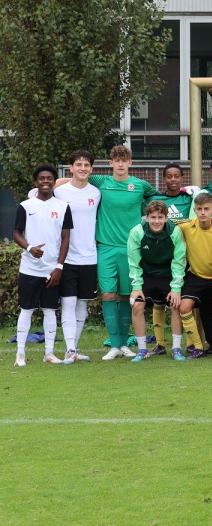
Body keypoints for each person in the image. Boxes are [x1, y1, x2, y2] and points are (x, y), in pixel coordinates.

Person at [74, 145, 156, 359]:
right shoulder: (101, 182)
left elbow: (160, 201)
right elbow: (75, 181)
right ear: (110, 163)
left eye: (124, 160)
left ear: (131, 163)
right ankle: (115, 344)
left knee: (127, 295)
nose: (120, 164)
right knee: (108, 294)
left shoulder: (140, 186)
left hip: (130, 249)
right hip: (105, 247)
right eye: (116, 160)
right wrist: (52, 185)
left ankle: (123, 344)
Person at [12, 165, 72, 367]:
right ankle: (20, 354)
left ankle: (49, 353)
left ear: (54, 181)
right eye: (41, 179)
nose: (45, 181)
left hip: (52, 270)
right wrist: (29, 248)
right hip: (29, 268)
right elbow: (16, 233)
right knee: (26, 310)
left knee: (49, 310)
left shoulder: (63, 207)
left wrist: (59, 267)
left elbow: (65, 238)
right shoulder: (25, 206)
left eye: (49, 178)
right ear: (36, 182)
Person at [52, 150, 102, 362]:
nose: (83, 168)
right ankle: (70, 349)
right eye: (78, 164)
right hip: (67, 258)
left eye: (86, 165)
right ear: (70, 167)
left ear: (91, 168)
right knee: (69, 303)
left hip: (90, 257)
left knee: (83, 304)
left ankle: (74, 349)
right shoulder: (60, 192)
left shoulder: (96, 193)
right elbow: (38, 192)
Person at [127, 200, 186, 361]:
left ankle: (176, 348)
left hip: (168, 274)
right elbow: (133, 262)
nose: (157, 221)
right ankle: (142, 350)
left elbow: (179, 260)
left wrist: (176, 287)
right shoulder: (137, 232)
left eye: (160, 217)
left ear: (166, 218)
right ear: (146, 218)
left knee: (176, 305)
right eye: (153, 217)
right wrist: (137, 286)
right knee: (137, 306)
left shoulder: (175, 231)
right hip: (146, 275)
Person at [177, 192, 212, 358]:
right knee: (184, 307)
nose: (203, 213)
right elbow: (163, 223)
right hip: (196, 275)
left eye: (206, 209)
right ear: (194, 210)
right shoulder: (185, 225)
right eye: (199, 209)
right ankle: (198, 347)